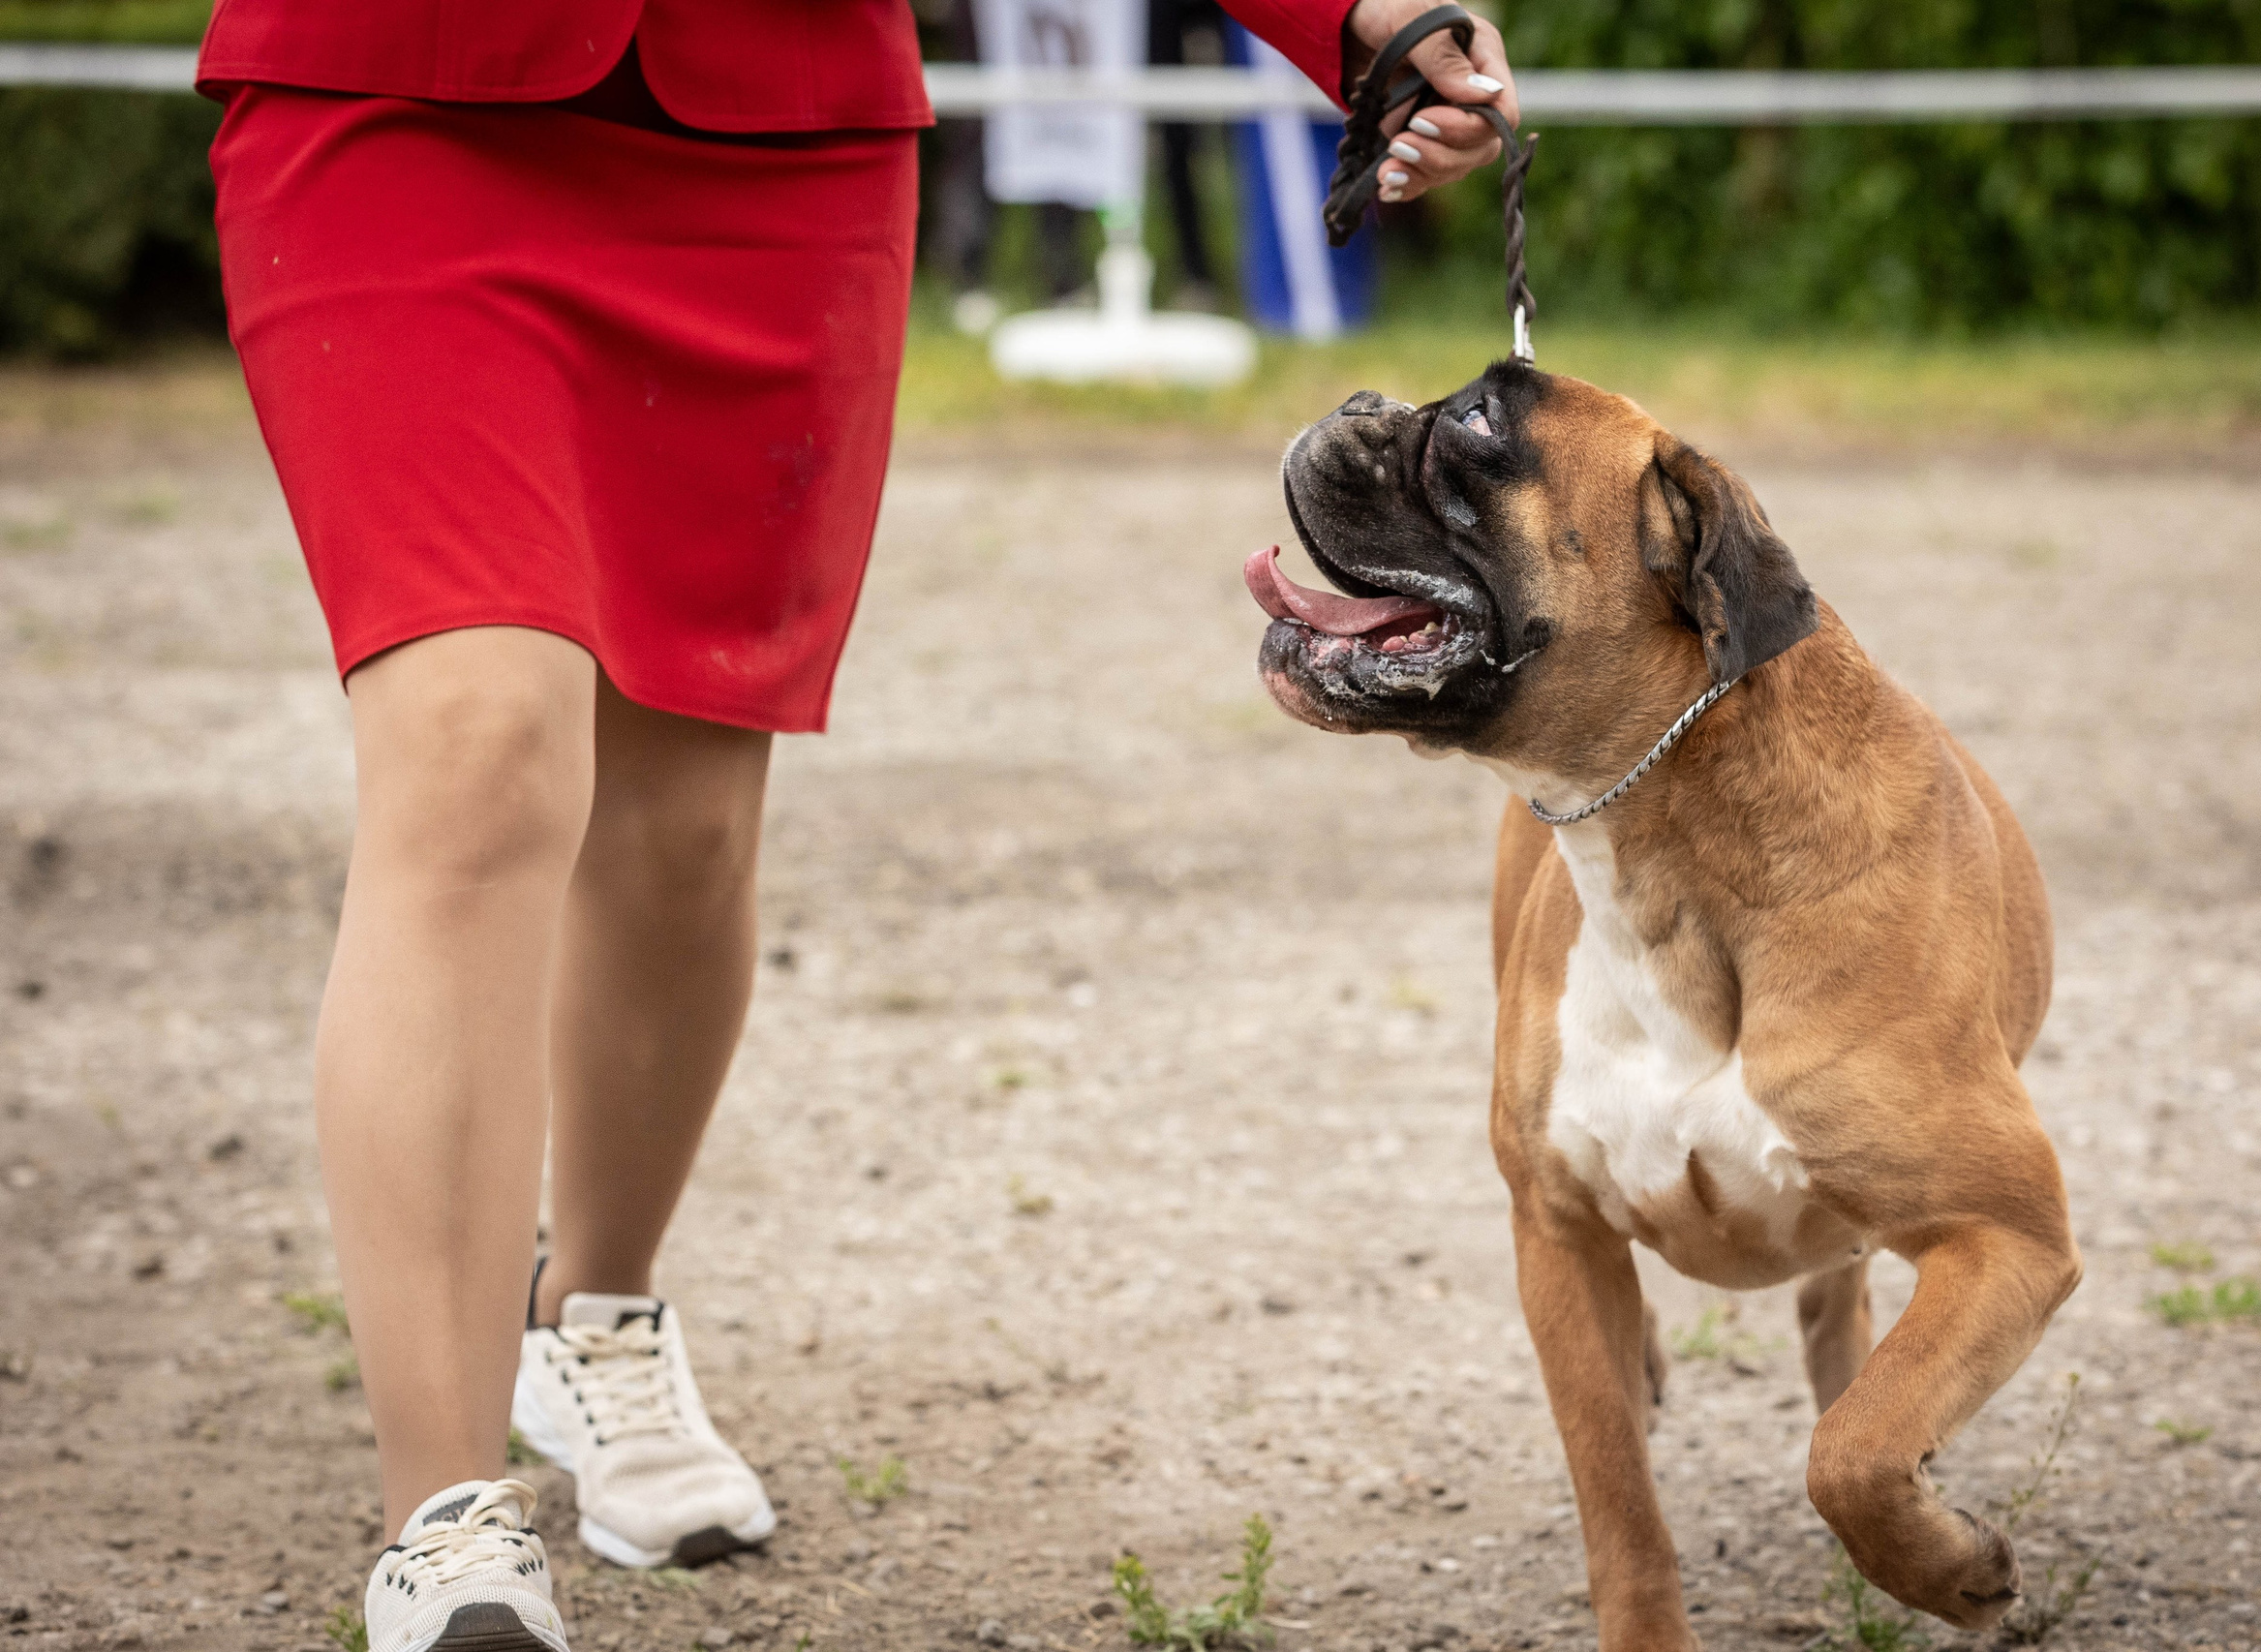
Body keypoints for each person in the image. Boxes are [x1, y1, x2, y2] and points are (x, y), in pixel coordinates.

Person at [194, 3, 1519, 1650]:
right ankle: (447, 1523)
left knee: (685, 831)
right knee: (478, 746)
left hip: (776, 147)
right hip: (400, 97)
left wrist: (1351, 12)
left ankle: (592, 1317)